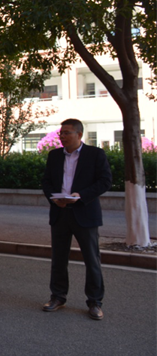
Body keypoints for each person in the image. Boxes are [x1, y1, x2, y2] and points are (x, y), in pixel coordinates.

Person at [41, 119, 112, 320]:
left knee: (92, 259)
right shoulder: (54, 155)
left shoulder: (95, 154)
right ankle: (58, 297)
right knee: (59, 259)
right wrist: (54, 198)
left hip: (85, 213)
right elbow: (46, 181)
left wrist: (80, 196)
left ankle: (95, 302)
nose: (62, 136)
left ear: (79, 135)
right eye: (61, 133)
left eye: (67, 133)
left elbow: (105, 181)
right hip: (60, 212)